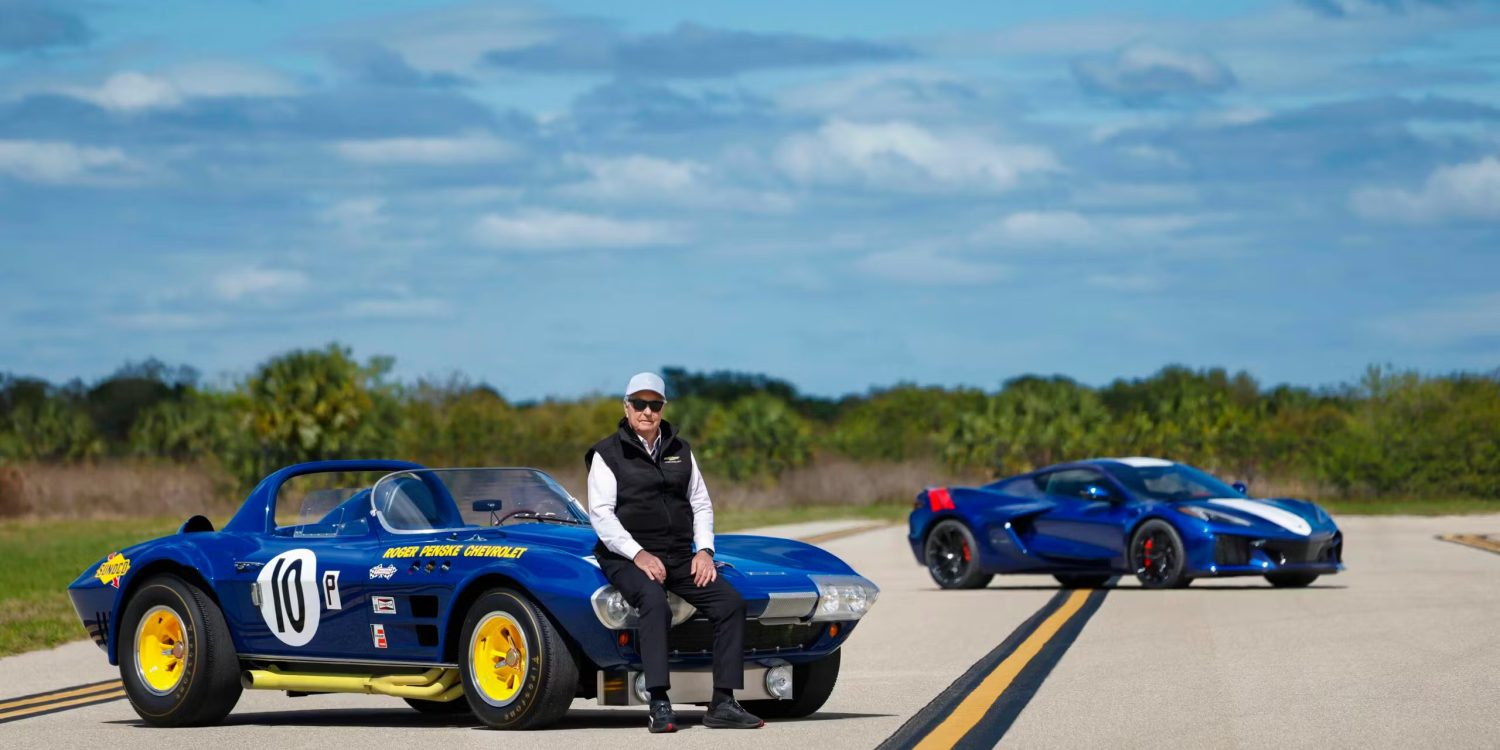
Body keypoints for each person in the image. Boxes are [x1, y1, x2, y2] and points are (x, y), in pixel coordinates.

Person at [586, 372, 764, 733]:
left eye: (654, 404)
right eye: (639, 403)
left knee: (730, 604)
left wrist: (705, 551)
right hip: (625, 556)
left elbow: (701, 504)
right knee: (655, 602)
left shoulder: (681, 450)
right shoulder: (607, 454)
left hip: (680, 554)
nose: (647, 411)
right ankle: (659, 702)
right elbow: (601, 516)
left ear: (663, 408)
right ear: (626, 407)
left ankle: (723, 703)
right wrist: (638, 554)